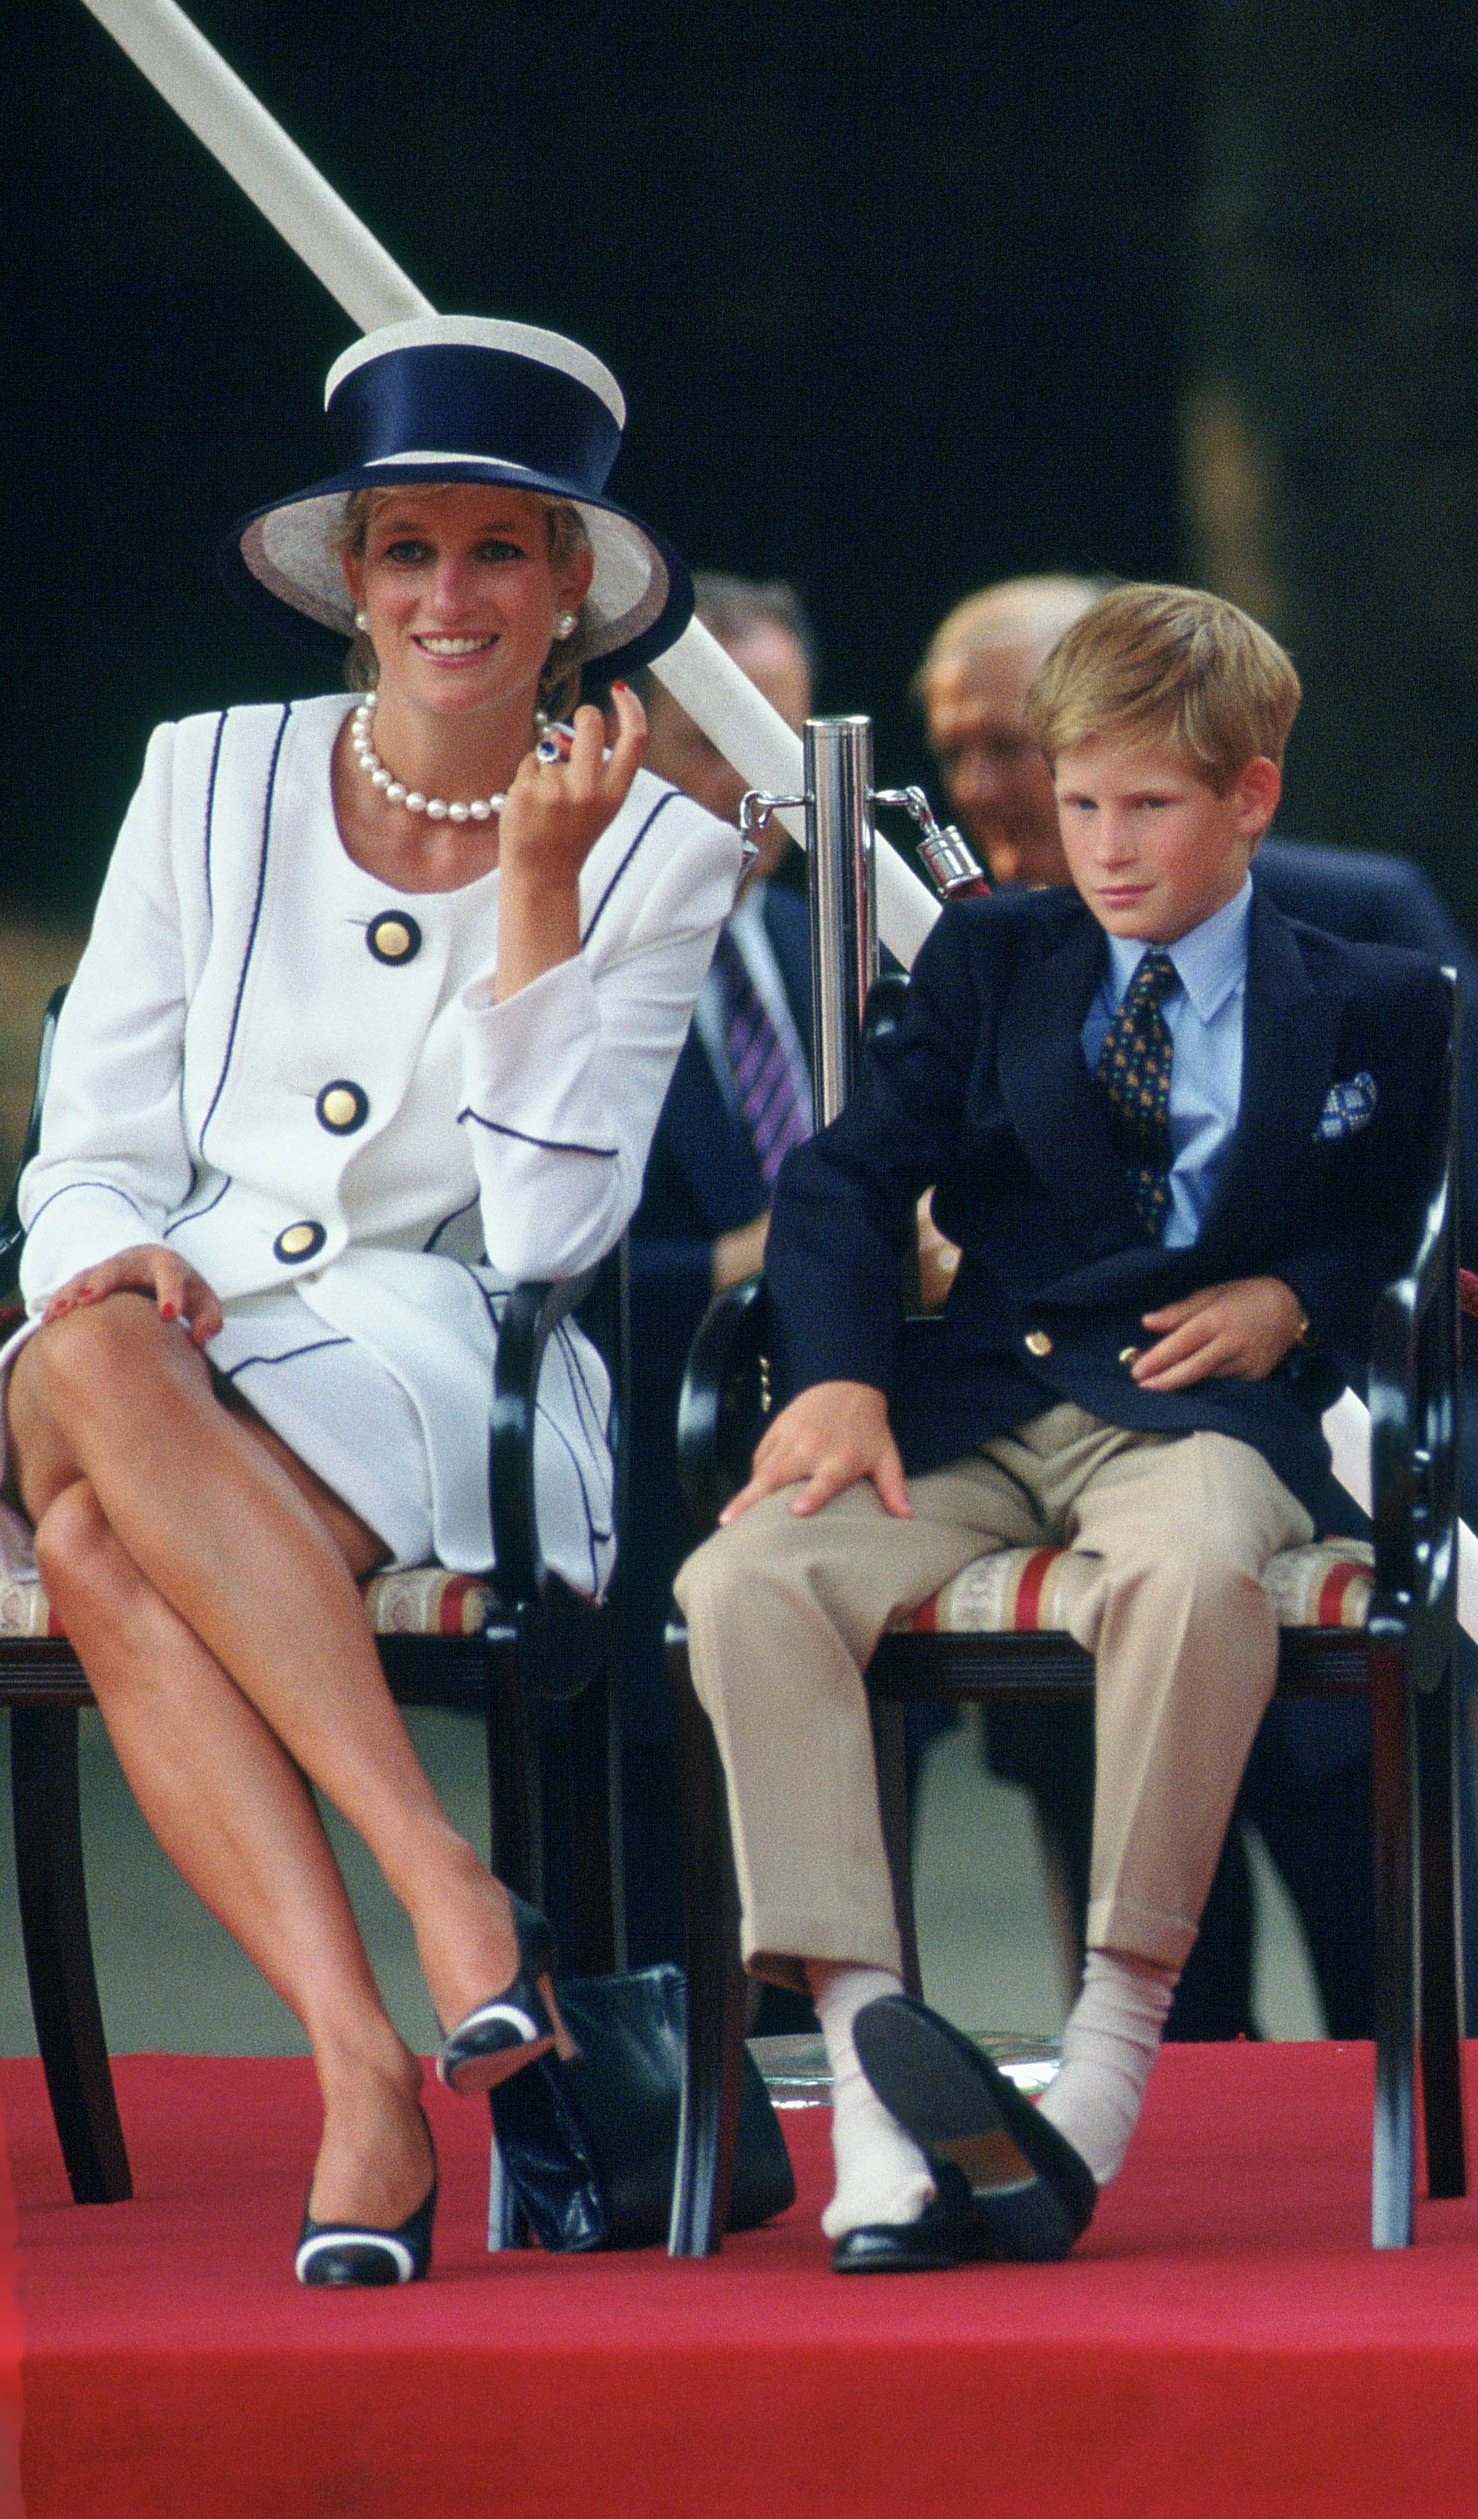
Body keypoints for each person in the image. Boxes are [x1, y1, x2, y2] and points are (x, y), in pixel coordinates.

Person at [0, 316, 740, 2284]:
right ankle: (437, 1901)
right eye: (409, 550)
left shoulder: (662, 849)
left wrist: (545, 908)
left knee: (89, 1537)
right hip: (160, 1327)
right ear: (356, 579)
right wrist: (109, 1258)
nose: (449, 596)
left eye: (498, 550)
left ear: (574, 584)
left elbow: (552, 1234)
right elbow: (88, 1141)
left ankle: (368, 2076)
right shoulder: (202, 776)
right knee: (91, 1338)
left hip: (454, 1357)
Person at [678, 583, 1452, 2271]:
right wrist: (835, 1374)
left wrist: (1296, 1301)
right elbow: (843, 1178)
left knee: (1183, 1576)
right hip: (970, 1400)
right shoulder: (992, 951)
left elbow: (1388, 1225)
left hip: (1194, 1415)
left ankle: (1103, 2058)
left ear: (1250, 795)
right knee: (745, 1582)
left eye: (1148, 807)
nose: (1102, 846)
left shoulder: (1383, 1000)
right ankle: (876, 2085)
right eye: (1081, 799)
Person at [915, 574, 1478, 2040]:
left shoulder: (1359, 921)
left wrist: (1285, 1295)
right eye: (974, 749)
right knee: (1160, 2038)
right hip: (1077, 1571)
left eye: (1024, 735)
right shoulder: (966, 956)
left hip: (1327, 1512)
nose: (995, 781)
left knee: (1421, 2014)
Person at [602, 574, 821, 1974]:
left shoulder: (834, 941)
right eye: (709, 746)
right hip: (637, 1505)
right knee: (642, 1911)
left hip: (839, 1471)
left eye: (780, 748)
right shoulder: (559, 947)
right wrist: (730, 1265)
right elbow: (511, 1252)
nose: (754, 793)